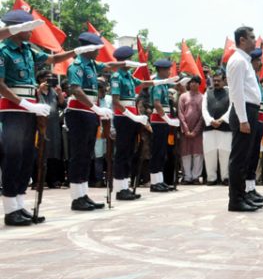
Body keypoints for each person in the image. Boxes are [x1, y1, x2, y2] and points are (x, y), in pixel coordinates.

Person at [0, 10, 77, 226]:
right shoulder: (3, 50)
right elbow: (1, 85)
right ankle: (9, 209)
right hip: (13, 109)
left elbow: (51, 58)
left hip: (29, 109)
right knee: (13, 158)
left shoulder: (28, 50)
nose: (32, 32)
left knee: (27, 157)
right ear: (16, 29)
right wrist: (24, 103)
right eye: (28, 28)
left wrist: (73, 52)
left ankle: (19, 204)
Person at [65, 32, 122, 211]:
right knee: (78, 155)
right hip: (79, 113)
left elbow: (108, 66)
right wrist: (96, 108)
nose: (99, 52)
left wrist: (126, 64)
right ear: (87, 49)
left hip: (89, 114)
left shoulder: (91, 65)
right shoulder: (77, 66)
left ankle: (83, 194)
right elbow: (76, 90)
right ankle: (76, 197)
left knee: (86, 155)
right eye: (97, 48)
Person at [109, 46, 156, 200]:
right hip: (123, 118)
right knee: (121, 153)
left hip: (131, 118)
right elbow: (116, 102)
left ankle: (125, 186)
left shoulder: (128, 76)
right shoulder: (117, 76)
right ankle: (119, 188)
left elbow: (143, 83)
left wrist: (161, 81)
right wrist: (132, 116)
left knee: (129, 152)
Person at [226, 26, 263, 211]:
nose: (255, 40)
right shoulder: (238, 61)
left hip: (250, 110)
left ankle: (243, 195)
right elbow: (237, 92)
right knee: (239, 159)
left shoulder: (245, 61)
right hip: (244, 111)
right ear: (242, 40)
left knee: (246, 158)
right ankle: (236, 200)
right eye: (252, 37)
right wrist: (243, 119)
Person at [148, 59, 182, 192]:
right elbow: (157, 104)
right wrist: (167, 119)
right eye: (167, 69)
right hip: (159, 120)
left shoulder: (164, 84)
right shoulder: (157, 84)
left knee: (162, 152)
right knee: (157, 152)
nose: (169, 72)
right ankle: (154, 182)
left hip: (163, 120)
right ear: (161, 70)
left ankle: (159, 180)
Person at [244, 49, 263, 205]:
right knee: (248, 156)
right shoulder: (249, 78)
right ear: (252, 61)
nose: (260, 63)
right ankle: (246, 190)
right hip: (251, 120)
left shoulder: (256, 78)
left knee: (254, 156)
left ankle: (251, 188)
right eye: (258, 60)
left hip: (259, 120)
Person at [35, 70, 67, 188]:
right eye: (46, 78)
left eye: (51, 78)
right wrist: (39, 90)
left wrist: (59, 93)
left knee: (54, 153)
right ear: (40, 79)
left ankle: (54, 180)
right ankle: (39, 180)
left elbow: (63, 105)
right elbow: (33, 102)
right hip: (40, 126)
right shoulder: (35, 90)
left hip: (54, 127)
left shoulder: (53, 91)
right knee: (40, 152)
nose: (48, 80)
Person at [202, 71, 231, 185]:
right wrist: (210, 120)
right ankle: (211, 178)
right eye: (214, 81)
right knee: (210, 153)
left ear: (224, 80)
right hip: (210, 127)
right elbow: (203, 108)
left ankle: (225, 177)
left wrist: (221, 120)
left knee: (225, 153)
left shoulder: (229, 92)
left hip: (225, 127)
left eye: (219, 80)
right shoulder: (207, 92)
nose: (216, 82)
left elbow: (231, 108)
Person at [178, 75, 205, 184]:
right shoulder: (183, 96)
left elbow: (203, 116)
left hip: (198, 131)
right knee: (186, 153)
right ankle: (187, 177)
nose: (193, 84)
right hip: (185, 131)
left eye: (196, 82)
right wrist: (185, 129)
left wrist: (195, 131)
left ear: (199, 84)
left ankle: (195, 177)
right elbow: (180, 113)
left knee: (198, 154)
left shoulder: (203, 97)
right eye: (191, 82)